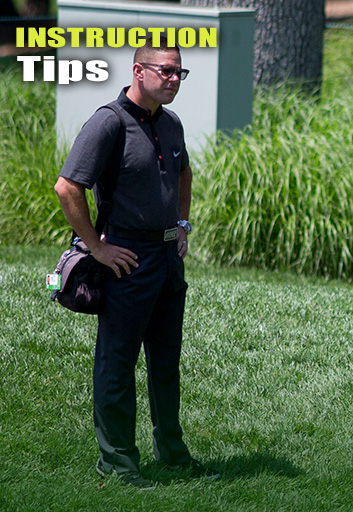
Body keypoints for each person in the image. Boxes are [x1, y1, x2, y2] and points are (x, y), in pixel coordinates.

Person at [54, 40, 218, 489]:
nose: (172, 80)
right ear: (138, 71)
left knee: (166, 362)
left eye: (178, 74)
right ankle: (119, 462)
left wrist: (182, 223)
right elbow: (68, 187)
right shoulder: (108, 123)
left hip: (167, 258)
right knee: (117, 362)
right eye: (164, 71)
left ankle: (173, 454)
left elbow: (184, 172)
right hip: (125, 259)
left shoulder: (171, 124)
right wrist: (97, 248)